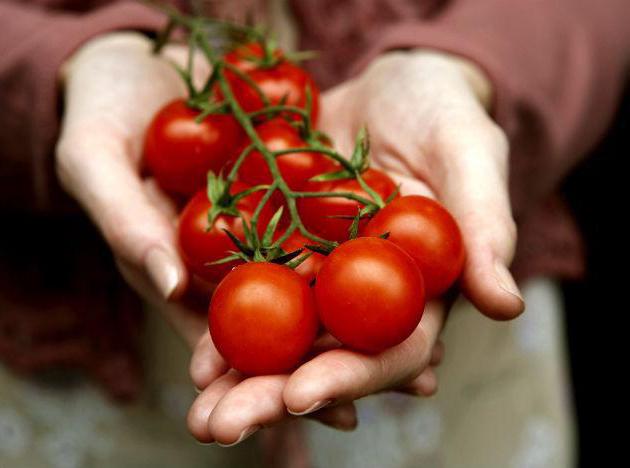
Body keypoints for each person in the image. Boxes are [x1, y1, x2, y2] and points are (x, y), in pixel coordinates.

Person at [1, 1, 628, 467]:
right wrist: (56, 65)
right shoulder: (296, 218)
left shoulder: (307, 218)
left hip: (470, 394)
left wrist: (467, 68)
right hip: (70, 380)